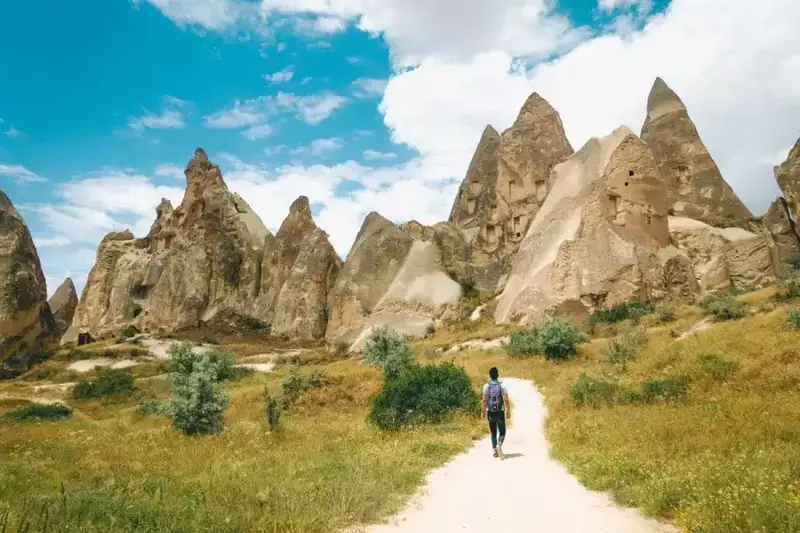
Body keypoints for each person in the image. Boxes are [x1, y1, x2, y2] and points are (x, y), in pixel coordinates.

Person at [481, 367, 510, 458]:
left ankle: (495, 452)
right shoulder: (502, 386)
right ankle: (499, 445)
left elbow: (484, 400)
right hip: (500, 412)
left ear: (490, 376)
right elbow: (506, 399)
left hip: (490, 412)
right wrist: (508, 411)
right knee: (502, 431)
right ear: (497, 375)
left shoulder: (486, 386)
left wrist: (483, 412)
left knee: (493, 432)